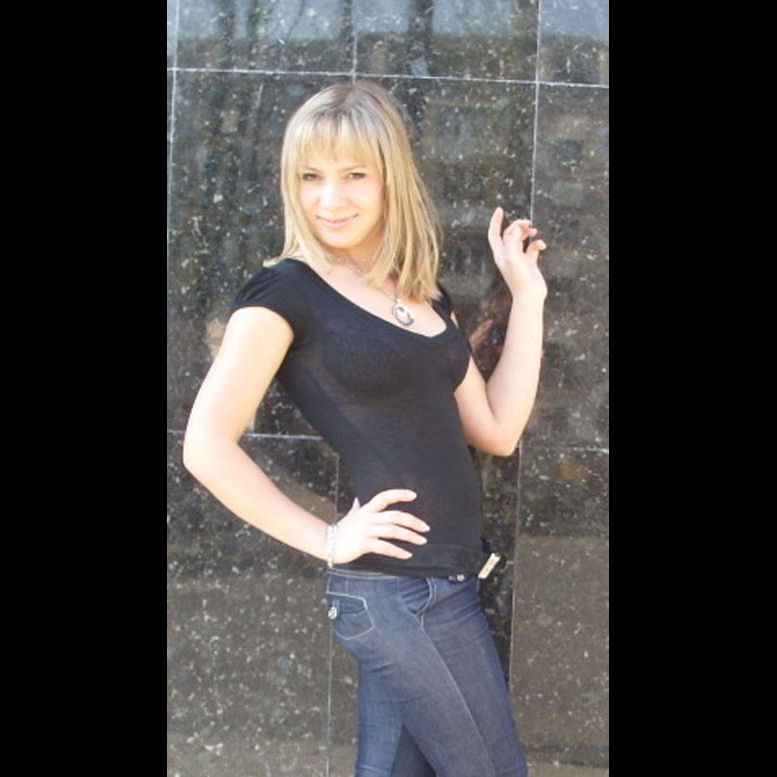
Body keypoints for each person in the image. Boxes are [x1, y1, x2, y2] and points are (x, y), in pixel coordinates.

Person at [183, 80, 547, 777]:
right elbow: (206, 445)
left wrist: (526, 296)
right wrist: (327, 539)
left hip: (445, 583)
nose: (330, 198)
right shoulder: (284, 293)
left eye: (354, 175)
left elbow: (497, 429)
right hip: (398, 594)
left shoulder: (422, 293)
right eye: (310, 177)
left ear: (389, 179)